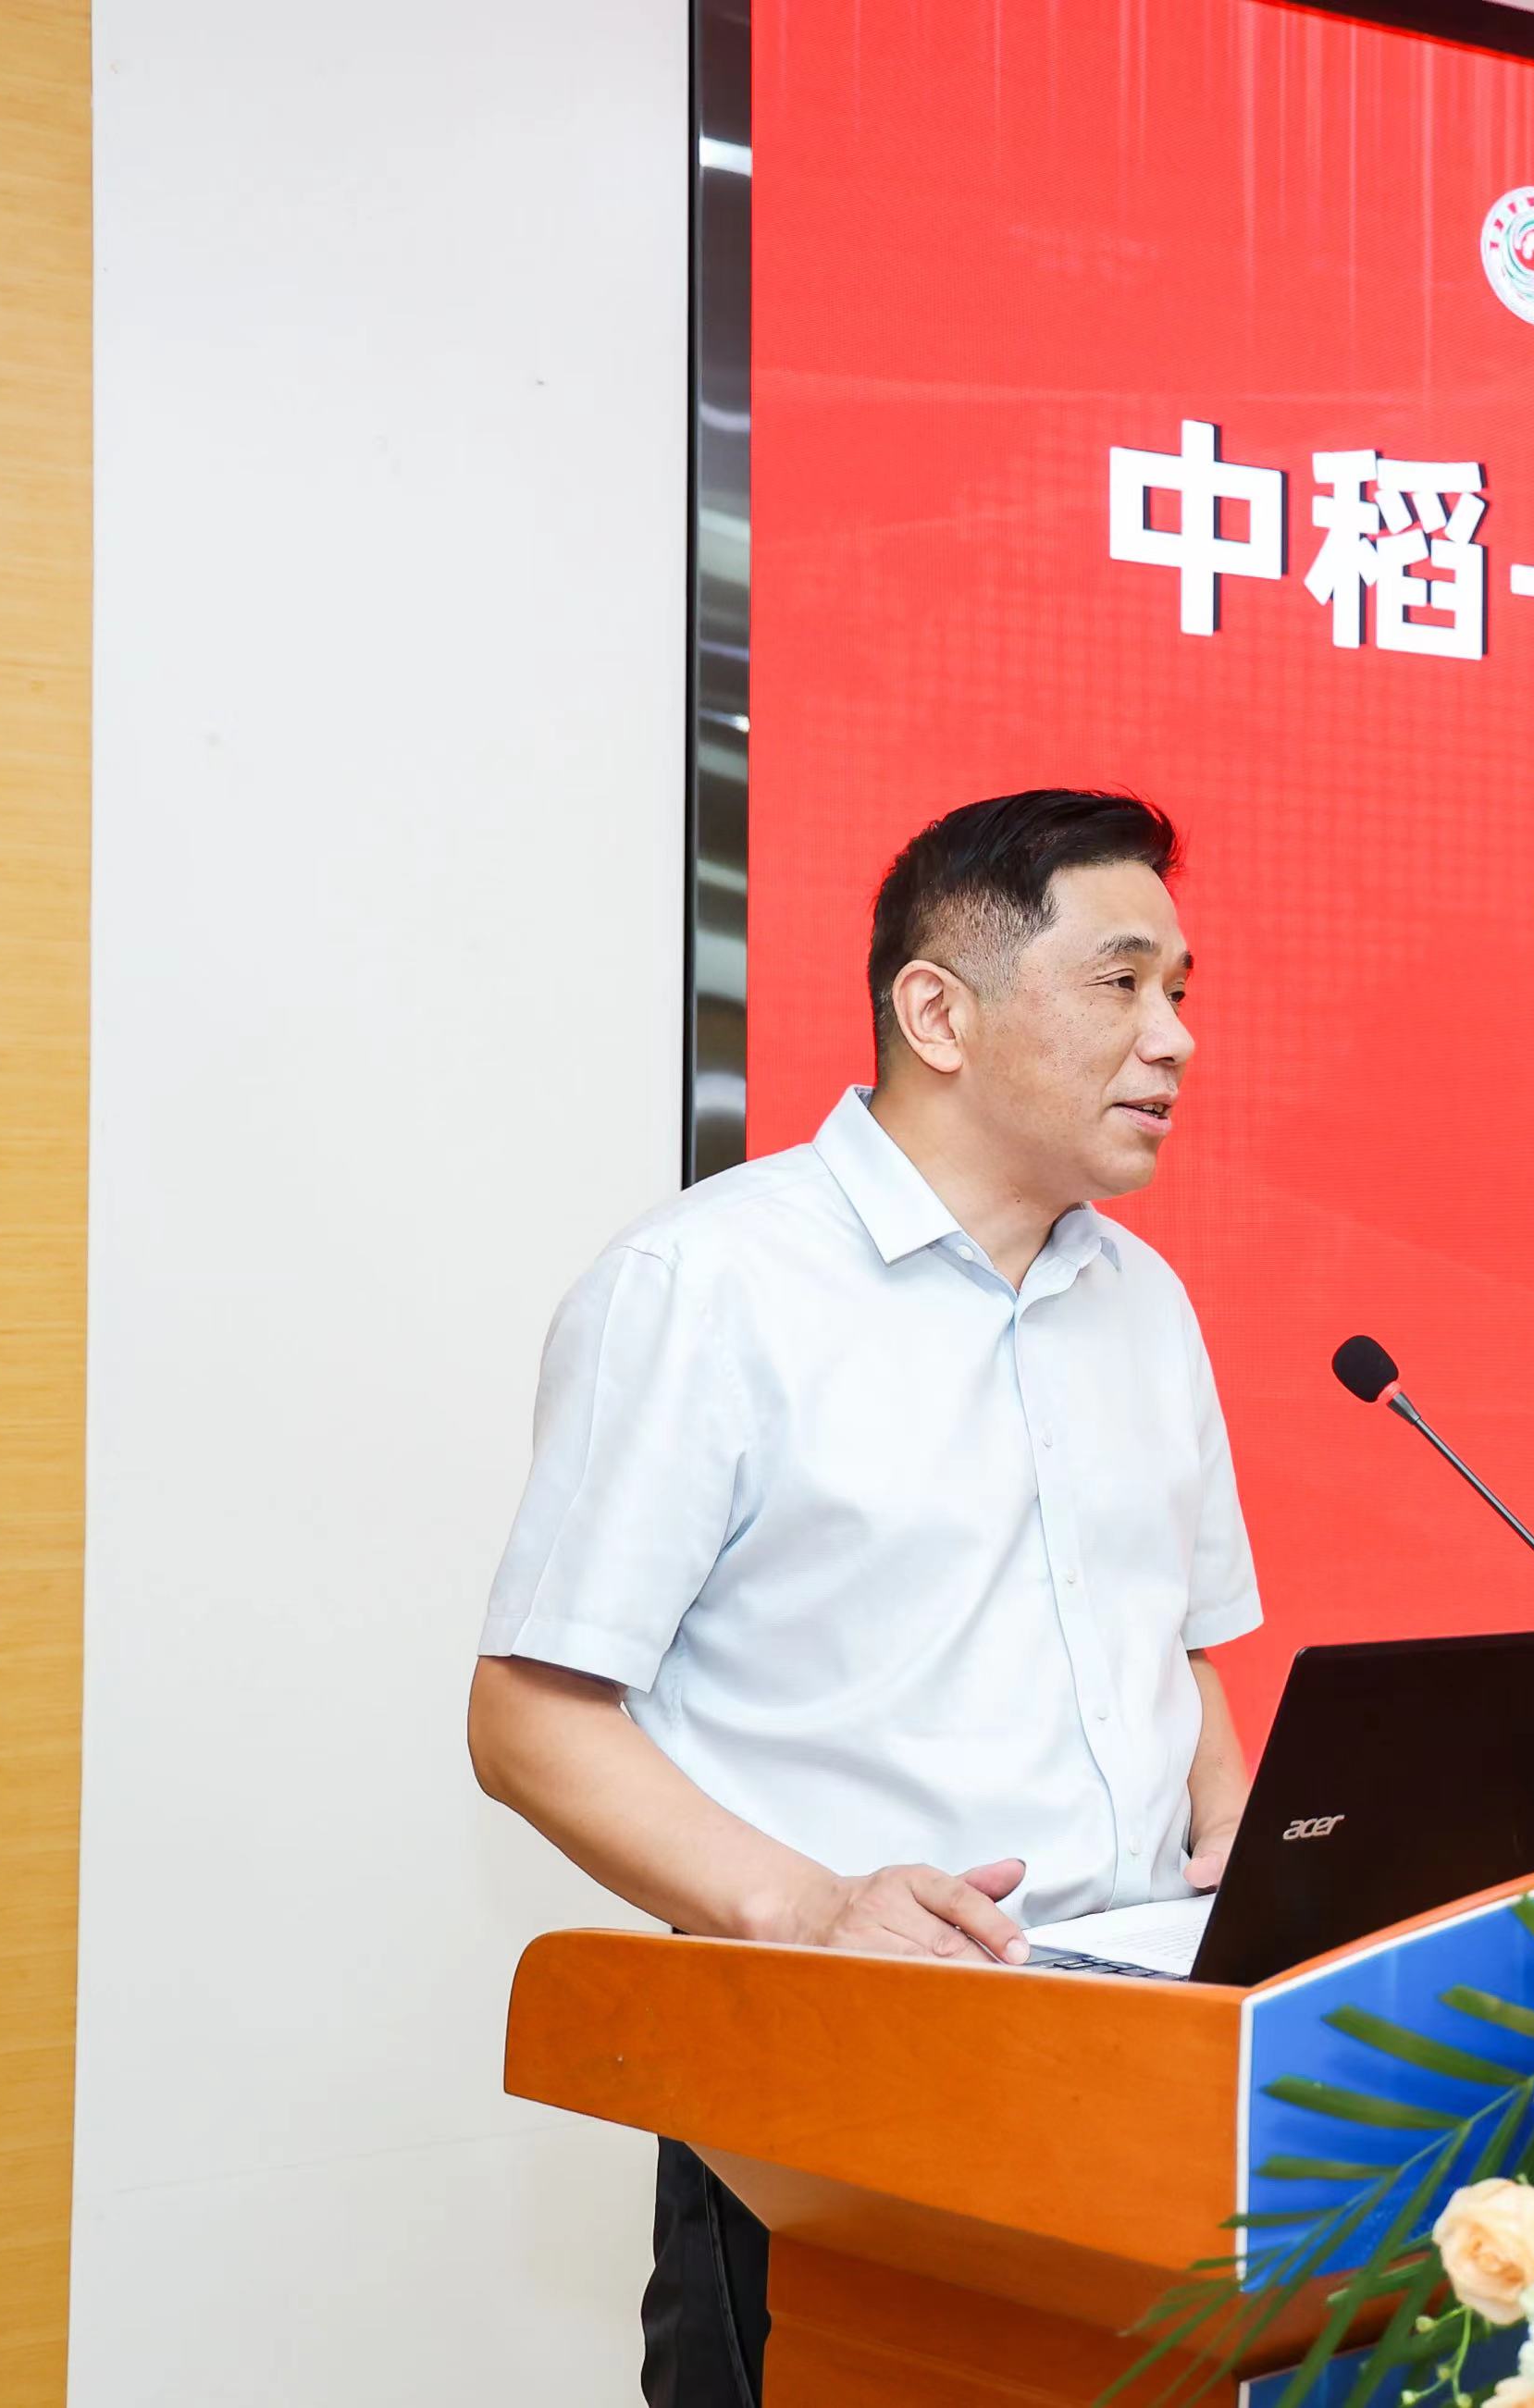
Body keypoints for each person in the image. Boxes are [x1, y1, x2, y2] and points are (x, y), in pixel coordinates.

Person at [465, 787, 1258, 2408]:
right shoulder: (708, 1287)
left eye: (1182, 990)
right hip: (833, 2096)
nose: (1173, 1038)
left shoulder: (1145, 1301)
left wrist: (1246, 1848)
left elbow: (1175, 1656)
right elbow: (530, 1721)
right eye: (1121, 983)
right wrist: (811, 1911)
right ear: (936, 1013)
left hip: (1141, 2083)